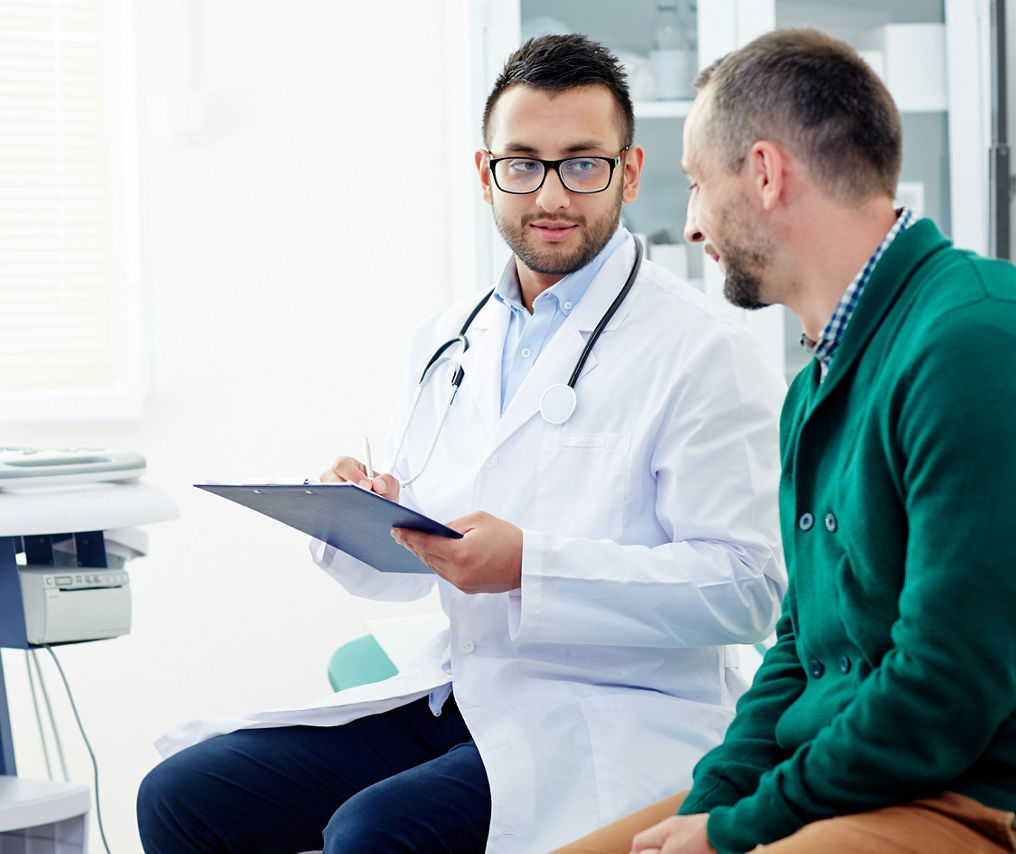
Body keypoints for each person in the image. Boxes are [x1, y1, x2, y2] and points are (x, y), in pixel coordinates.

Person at [138, 34, 787, 853]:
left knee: (373, 834)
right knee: (183, 797)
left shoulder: (705, 350)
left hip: (612, 714)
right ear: (486, 175)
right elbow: (424, 559)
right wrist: (368, 514)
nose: (551, 194)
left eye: (582, 163)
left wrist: (532, 565)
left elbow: (748, 588)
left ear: (628, 171)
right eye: (523, 164)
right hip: (462, 690)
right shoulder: (451, 339)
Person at [553, 26, 1016, 854]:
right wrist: (707, 806)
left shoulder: (970, 342)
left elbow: (944, 691)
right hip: (839, 782)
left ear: (764, 174)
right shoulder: (815, 385)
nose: (692, 226)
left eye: (697, 184)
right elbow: (799, 648)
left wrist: (742, 828)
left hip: (965, 794)